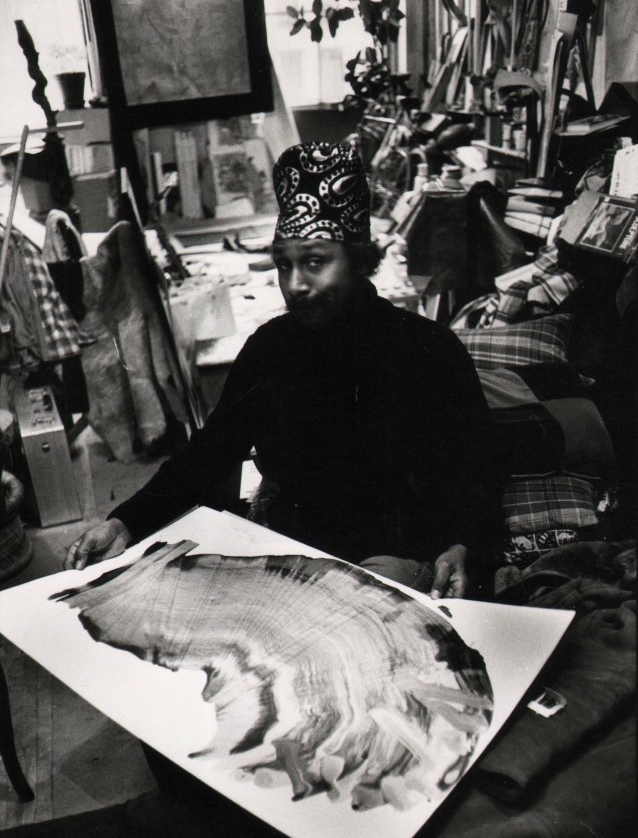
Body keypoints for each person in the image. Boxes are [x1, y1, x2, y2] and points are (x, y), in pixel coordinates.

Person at [65, 141, 498, 599]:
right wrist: (125, 521)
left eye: (315, 262)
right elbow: (211, 451)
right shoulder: (271, 349)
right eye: (284, 264)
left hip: (396, 551)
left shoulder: (427, 348)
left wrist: (463, 543)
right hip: (292, 548)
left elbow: (477, 465)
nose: (295, 285)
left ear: (357, 259)